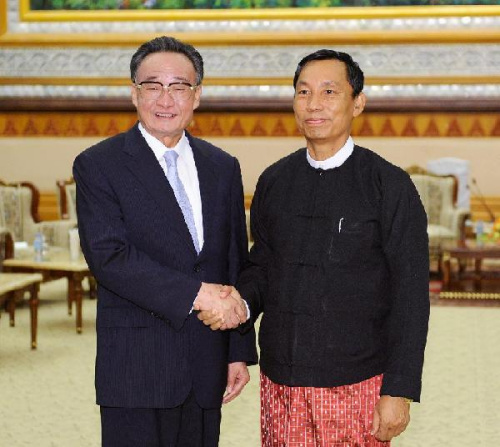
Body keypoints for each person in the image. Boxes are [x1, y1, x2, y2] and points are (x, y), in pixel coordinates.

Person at [199, 49, 430, 445]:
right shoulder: (274, 181)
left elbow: (411, 296)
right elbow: (262, 268)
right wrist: (239, 302)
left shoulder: (388, 185)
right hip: (282, 383)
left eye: (328, 92)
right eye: (303, 92)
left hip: (356, 382)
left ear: (358, 102)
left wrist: (399, 390)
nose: (314, 105)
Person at [73, 36, 257, 447]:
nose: (165, 98)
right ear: (133, 93)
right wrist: (199, 295)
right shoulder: (98, 164)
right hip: (136, 366)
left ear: (197, 96)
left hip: (206, 362)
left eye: (179, 87)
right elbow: (109, 257)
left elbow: (233, 262)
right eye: (153, 85)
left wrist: (237, 349)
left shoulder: (222, 167)